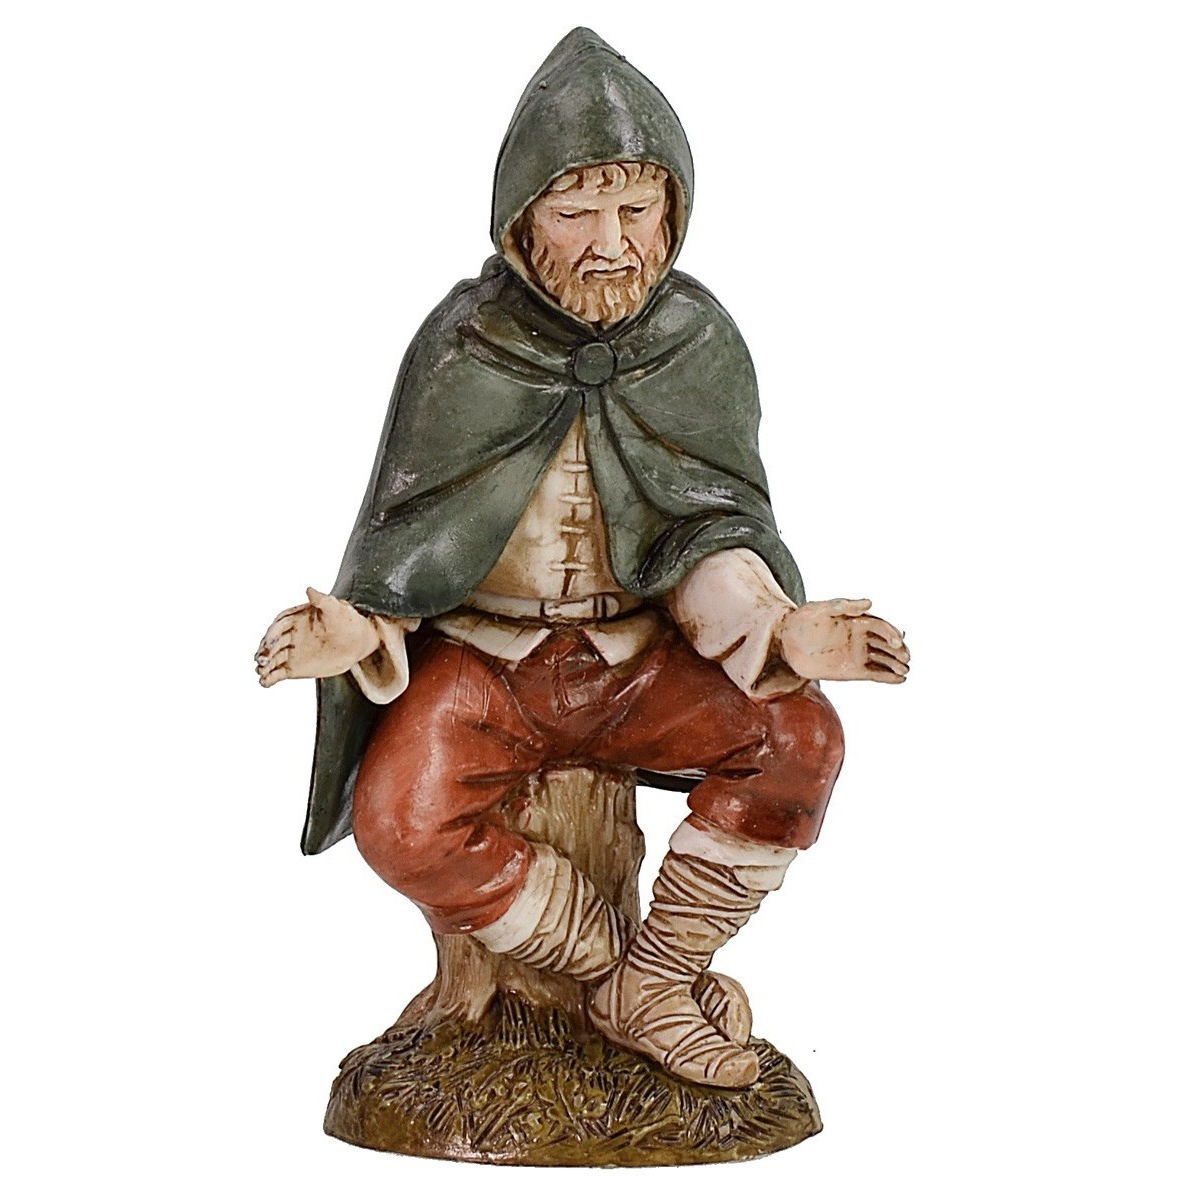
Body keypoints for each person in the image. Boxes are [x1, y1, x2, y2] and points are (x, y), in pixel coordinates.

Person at [255, 28, 908, 1089]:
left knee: (800, 737)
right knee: (401, 818)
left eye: (636, 211)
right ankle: (627, 973)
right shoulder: (465, 345)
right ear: (522, 220)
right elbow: (414, 534)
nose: (611, 244)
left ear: (674, 213)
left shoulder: (694, 341)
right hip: (488, 665)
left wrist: (786, 633)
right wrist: (358, 629)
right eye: (576, 214)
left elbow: (708, 526)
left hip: (635, 662)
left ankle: (661, 973)